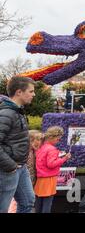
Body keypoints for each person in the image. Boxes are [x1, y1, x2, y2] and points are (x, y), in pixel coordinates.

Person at [0, 76, 36, 213]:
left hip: (20, 167)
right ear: (19, 92)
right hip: (8, 169)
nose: (34, 94)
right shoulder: (6, 113)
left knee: (28, 201)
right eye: (31, 91)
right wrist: (10, 166)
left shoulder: (17, 111)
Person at [34, 126, 71, 213]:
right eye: (58, 139)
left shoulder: (42, 147)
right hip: (49, 179)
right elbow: (51, 164)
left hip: (40, 178)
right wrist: (64, 158)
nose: (58, 141)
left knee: (39, 203)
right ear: (51, 137)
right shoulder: (52, 149)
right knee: (47, 204)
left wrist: (58, 156)